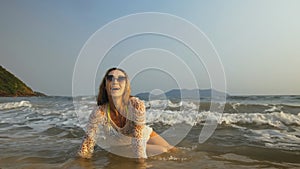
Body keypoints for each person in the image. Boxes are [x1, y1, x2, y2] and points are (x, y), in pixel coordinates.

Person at [78, 67, 173, 161]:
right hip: (120, 145)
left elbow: (138, 141)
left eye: (121, 78)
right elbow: (87, 144)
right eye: (110, 78)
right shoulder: (99, 112)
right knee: (163, 151)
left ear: (126, 86)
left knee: (172, 150)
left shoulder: (136, 105)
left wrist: (140, 163)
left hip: (141, 135)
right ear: (105, 86)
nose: (115, 81)